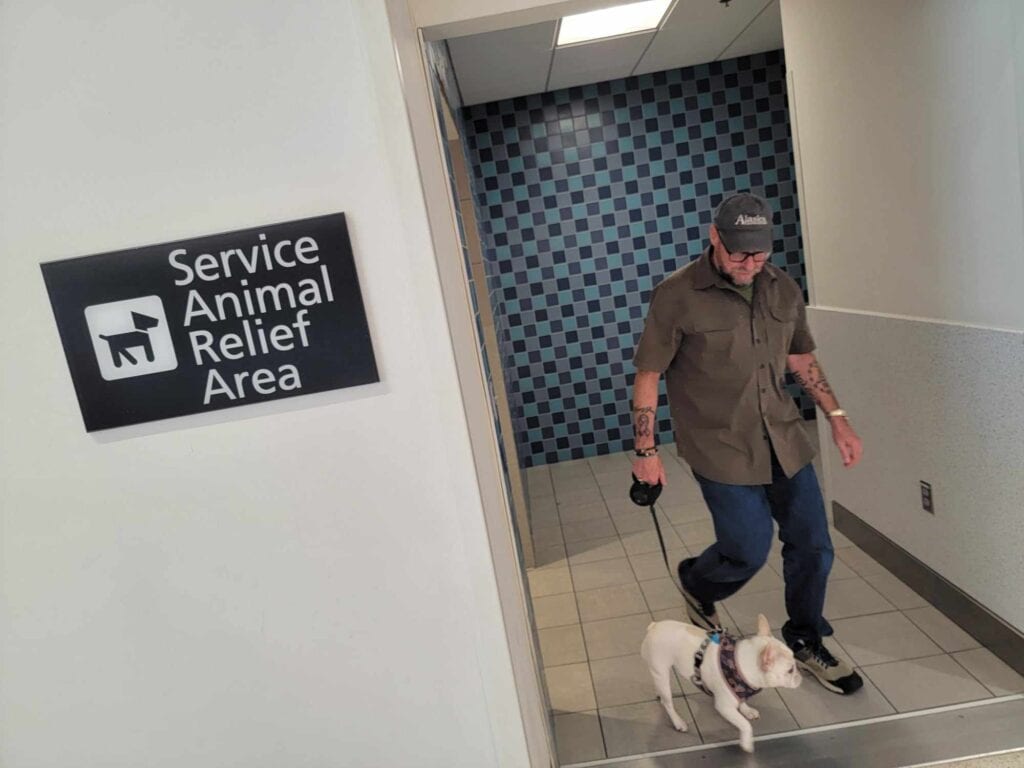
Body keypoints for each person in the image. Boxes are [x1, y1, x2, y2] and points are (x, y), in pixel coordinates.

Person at [631, 192, 865, 695]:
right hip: (719, 444)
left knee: (814, 546)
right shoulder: (677, 294)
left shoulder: (782, 288)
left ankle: (804, 638)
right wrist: (645, 452)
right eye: (739, 253)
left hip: (783, 436)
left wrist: (838, 418)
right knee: (746, 549)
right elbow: (648, 372)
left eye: (759, 254)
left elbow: (802, 360)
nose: (749, 263)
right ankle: (697, 581)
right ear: (715, 237)